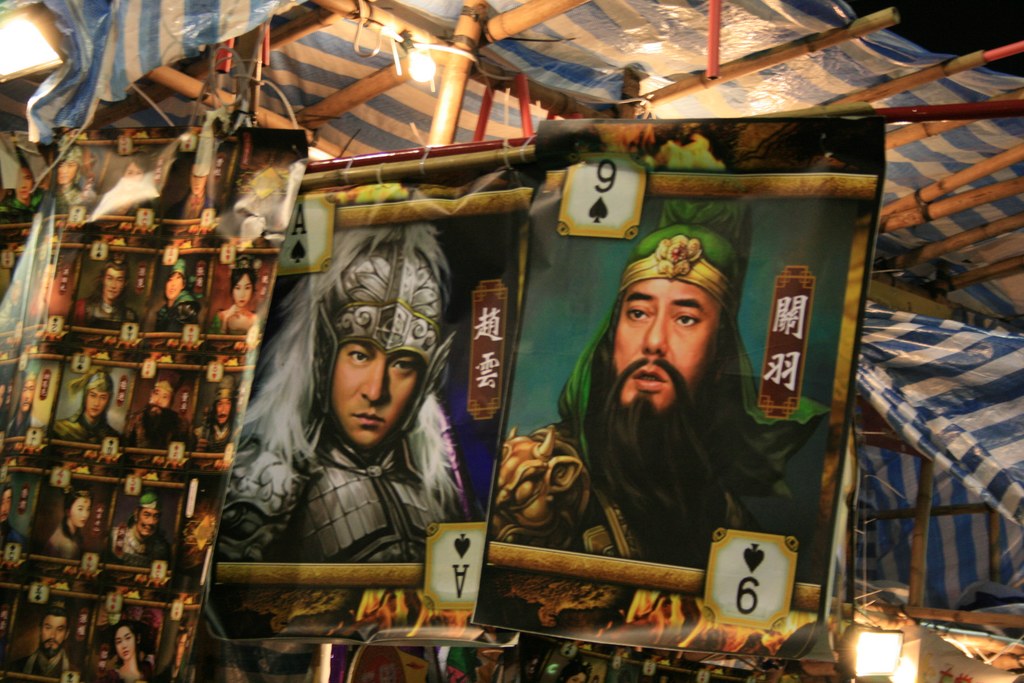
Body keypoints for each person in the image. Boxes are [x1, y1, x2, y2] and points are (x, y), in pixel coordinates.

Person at [490, 204, 826, 568]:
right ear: (611, 338)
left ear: (720, 355)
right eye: (638, 313)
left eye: (685, 319)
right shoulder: (546, 476)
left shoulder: (719, 505)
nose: (653, 342)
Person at [217, 224, 465, 563]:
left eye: (402, 364)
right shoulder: (265, 482)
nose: (375, 391)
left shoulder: (441, 494)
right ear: (324, 355)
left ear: (426, 378)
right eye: (360, 355)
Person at [106, 491, 171, 567]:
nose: (151, 522)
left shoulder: (160, 548)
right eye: (146, 515)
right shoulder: (115, 537)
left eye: (155, 517)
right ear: (137, 514)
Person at [53, 370, 119, 443]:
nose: (96, 403)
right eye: (93, 395)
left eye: (103, 397)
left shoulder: (113, 437)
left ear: (108, 400)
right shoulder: (61, 428)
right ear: (85, 396)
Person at [122, 377, 188, 450]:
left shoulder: (179, 423)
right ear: (151, 395)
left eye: (164, 397)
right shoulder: (135, 419)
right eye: (156, 393)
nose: (158, 400)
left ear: (171, 403)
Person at [72, 259, 138, 330]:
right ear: (103, 279)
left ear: (125, 283)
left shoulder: (129, 316)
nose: (113, 285)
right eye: (109, 278)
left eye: (119, 280)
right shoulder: (82, 308)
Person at [10, 604, 72, 677]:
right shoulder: (16, 667)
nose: (52, 636)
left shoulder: (74, 671)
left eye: (59, 630)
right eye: (48, 628)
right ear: (40, 629)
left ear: (66, 634)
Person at [91, 156, 159, 220]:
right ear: (123, 174)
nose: (133, 177)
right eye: (130, 173)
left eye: (139, 173)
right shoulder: (109, 195)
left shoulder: (145, 201)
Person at [150, 259, 200, 333]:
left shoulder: (185, 308)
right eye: (170, 280)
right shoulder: (163, 311)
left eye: (178, 278)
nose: (172, 284)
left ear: (183, 285)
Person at [209, 258, 258, 335]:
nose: (242, 294)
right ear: (232, 289)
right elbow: (212, 339)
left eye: (247, 288)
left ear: (253, 290)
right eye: (237, 288)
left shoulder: (255, 318)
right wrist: (225, 321)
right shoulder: (221, 316)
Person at [43, 489, 92, 559]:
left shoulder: (70, 532)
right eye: (80, 509)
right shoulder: (66, 544)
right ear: (68, 511)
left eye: (88, 509)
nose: (85, 515)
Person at [193, 377, 236, 452]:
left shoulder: (236, 431)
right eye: (220, 404)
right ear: (214, 407)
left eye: (228, 404)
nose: (223, 410)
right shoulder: (202, 432)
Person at [53, 145, 96, 214]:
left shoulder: (80, 199)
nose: (64, 171)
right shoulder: (48, 196)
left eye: (70, 165)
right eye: (60, 165)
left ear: (78, 169)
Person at [7, 369, 36, 438]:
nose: (27, 396)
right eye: (24, 389)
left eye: (31, 389)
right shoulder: (8, 424)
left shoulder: (37, 425)